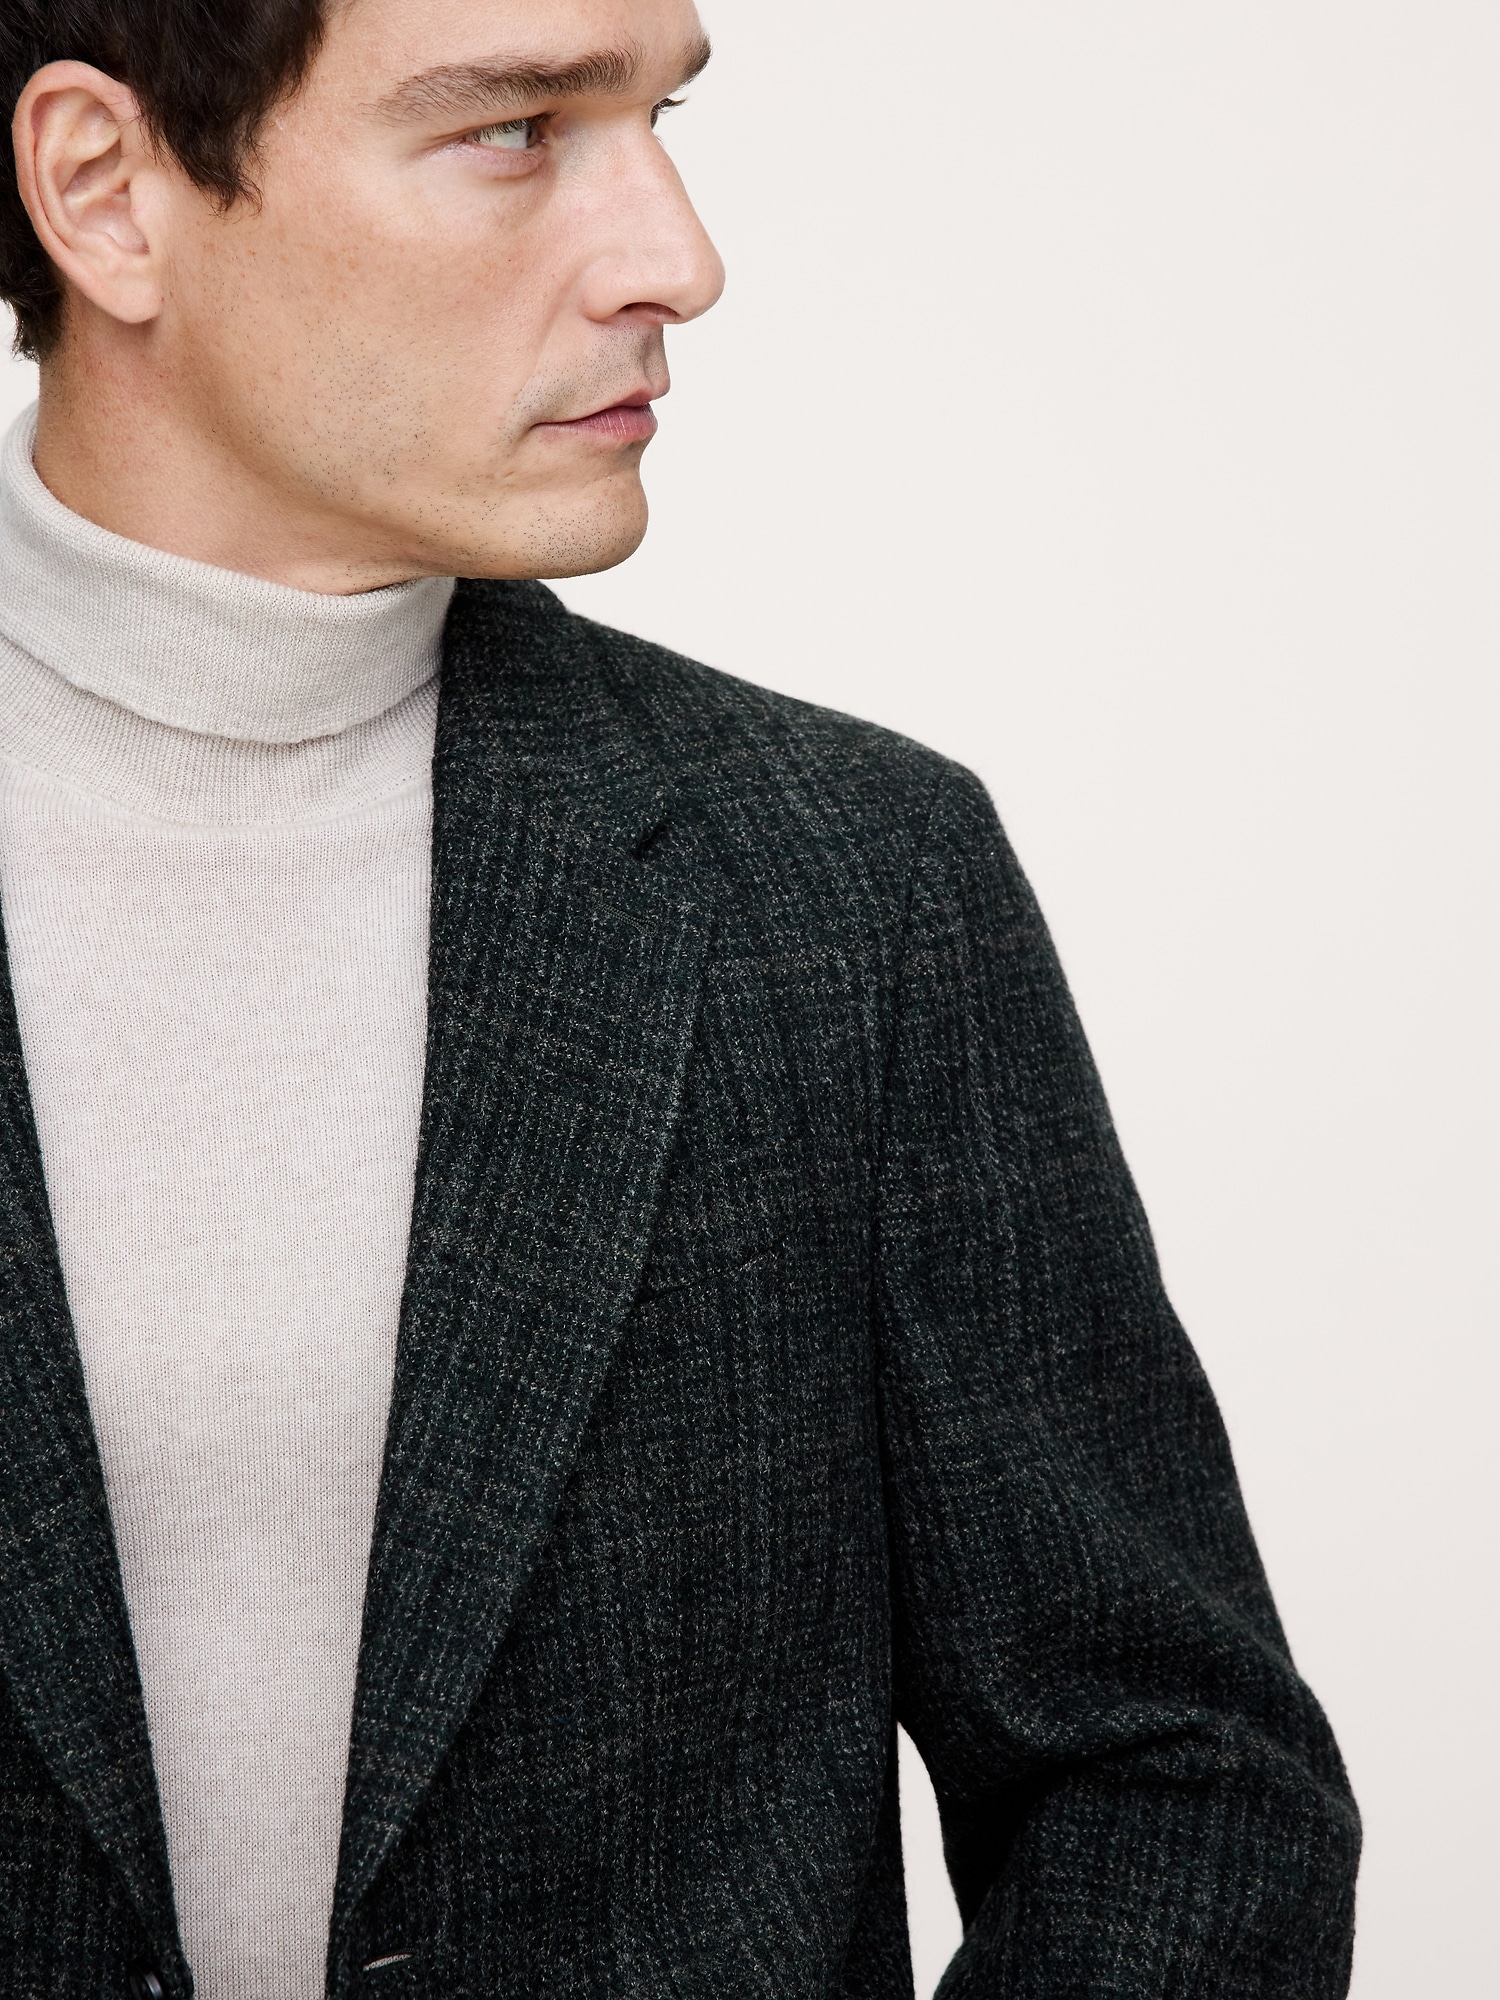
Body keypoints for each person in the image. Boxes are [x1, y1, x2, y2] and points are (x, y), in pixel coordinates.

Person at [0, 0, 1359, 1995]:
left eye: (659, 116)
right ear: (108, 192)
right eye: (515, 130)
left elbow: (1177, 1782)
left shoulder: (852, 878)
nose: (680, 260)